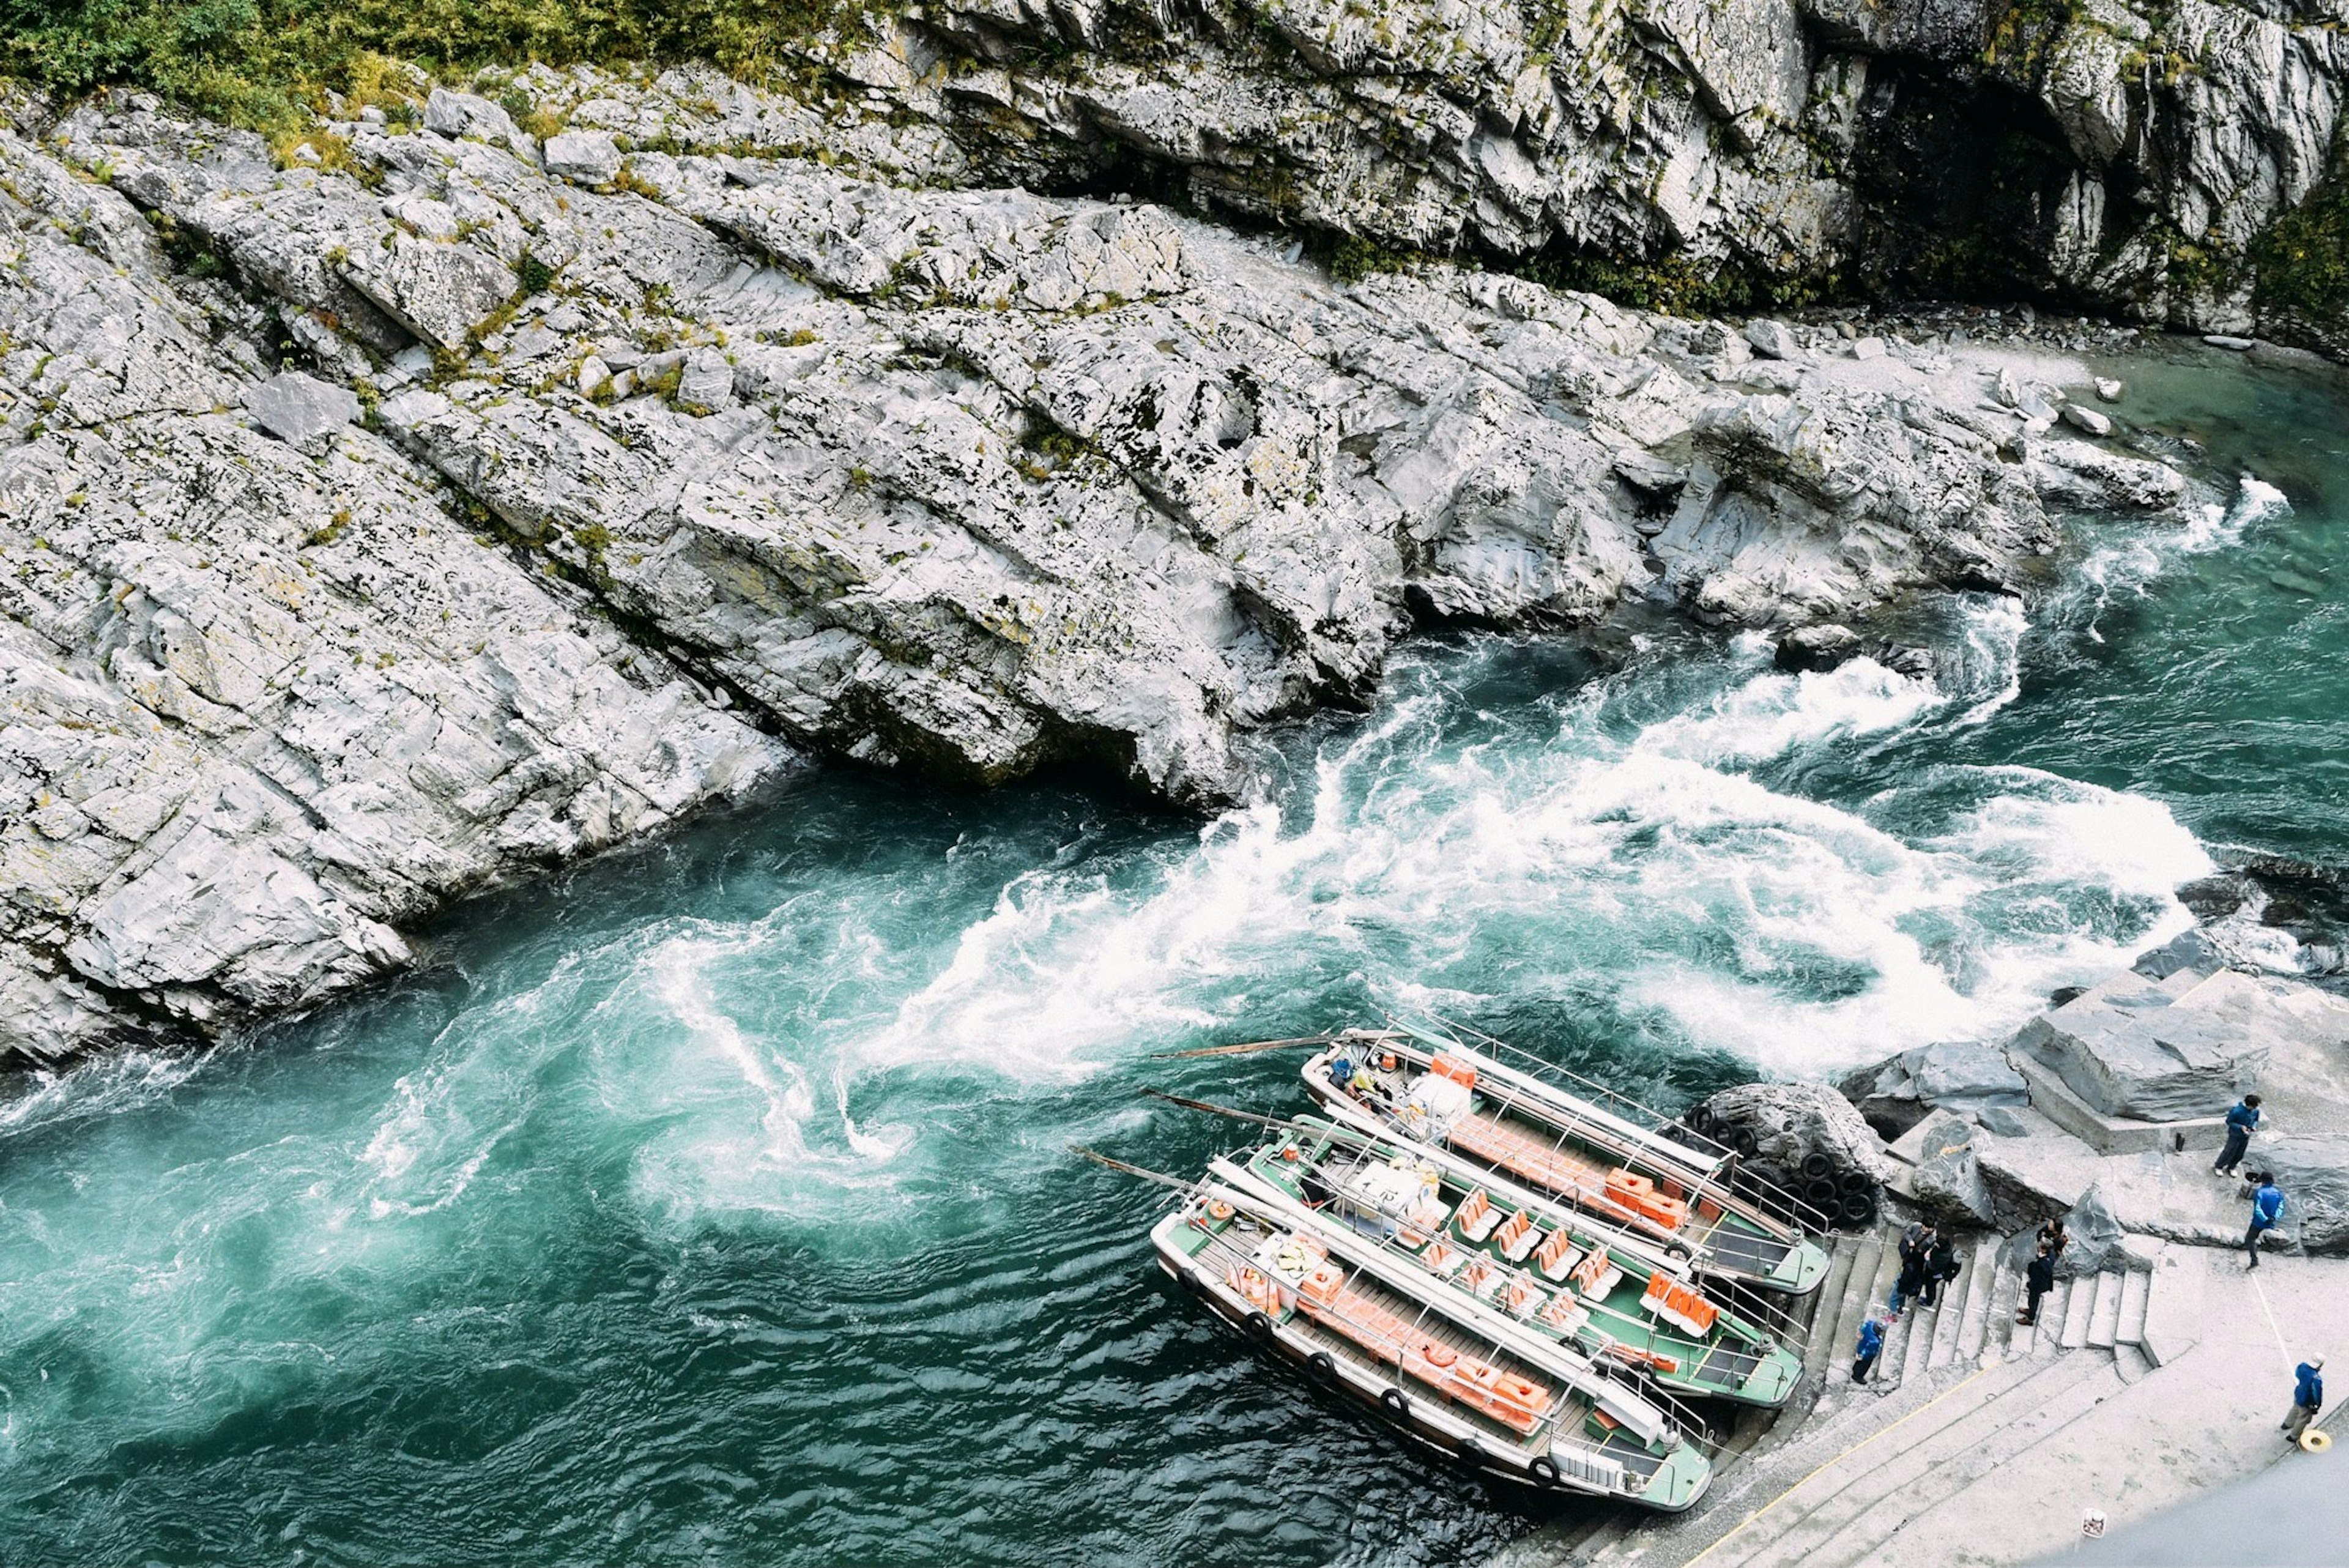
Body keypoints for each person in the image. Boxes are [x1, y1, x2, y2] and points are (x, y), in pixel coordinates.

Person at [2214, 1093, 2263, 1178]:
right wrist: (2240, 1127)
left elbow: (2256, 1120)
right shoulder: (2237, 1111)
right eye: (2254, 1107)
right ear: (2249, 1105)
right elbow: (2229, 1122)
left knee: (2240, 1153)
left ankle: (2232, 1167)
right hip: (2235, 1135)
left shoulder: (2256, 1111)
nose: (2255, 1108)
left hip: (2246, 1135)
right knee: (2229, 1151)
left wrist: (2254, 1126)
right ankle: (2219, 1166)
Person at [2247, 1173, 2285, 1269]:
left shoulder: (2260, 1192)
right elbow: (2281, 1207)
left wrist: (2265, 1219)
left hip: (2258, 1222)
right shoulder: (2278, 1193)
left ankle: (2254, 1260)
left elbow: (2258, 1209)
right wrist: (2273, 1218)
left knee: (2250, 1239)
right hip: (2271, 1222)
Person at [2284, 1358, 2324, 1444]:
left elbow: (2297, 1375)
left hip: (2299, 1393)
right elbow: (2316, 1394)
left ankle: (2287, 1424)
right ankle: (2294, 1436)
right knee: (2303, 1418)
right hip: (2307, 1401)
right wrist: (2317, 1405)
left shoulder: (2302, 1367)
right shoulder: (2316, 1379)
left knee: (2295, 1409)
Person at [2017, 1242, 2056, 1326]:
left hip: (2038, 1285)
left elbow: (2037, 1277)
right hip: (2044, 1282)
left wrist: (2030, 1284)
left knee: (2033, 1300)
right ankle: (2031, 1311)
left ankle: (2030, 1319)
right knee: (2034, 1300)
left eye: (2041, 1248)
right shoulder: (2051, 1256)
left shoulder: (2041, 1265)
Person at [1920, 1234, 1962, 1308]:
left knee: (1930, 1286)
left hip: (1936, 1274)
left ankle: (1929, 1301)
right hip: (1939, 1272)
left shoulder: (1942, 1257)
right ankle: (1931, 1298)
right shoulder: (1947, 1249)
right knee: (1931, 1285)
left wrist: (1928, 1259)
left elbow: (1933, 1267)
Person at [1853, 1315, 1885, 1384]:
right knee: (1864, 1366)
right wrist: (1863, 1356)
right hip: (1866, 1355)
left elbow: (1864, 1326)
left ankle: (1855, 1371)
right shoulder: (1875, 1341)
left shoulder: (1870, 1324)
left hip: (1861, 1346)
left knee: (1858, 1363)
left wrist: (1861, 1332)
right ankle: (1858, 1377)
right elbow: (1869, 1351)